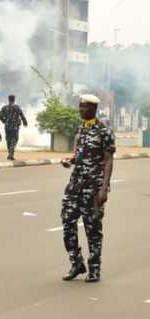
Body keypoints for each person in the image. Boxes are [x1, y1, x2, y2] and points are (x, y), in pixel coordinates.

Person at [60, 95, 115, 283]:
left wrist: (104, 188)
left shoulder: (104, 131)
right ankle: (76, 262)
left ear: (94, 109)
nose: (81, 110)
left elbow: (108, 160)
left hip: (93, 186)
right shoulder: (80, 129)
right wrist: (69, 160)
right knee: (67, 222)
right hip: (75, 184)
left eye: (85, 107)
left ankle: (94, 269)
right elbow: (79, 155)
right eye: (80, 106)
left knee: (92, 229)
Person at [0, 95, 29, 160]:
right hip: (15, 126)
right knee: (14, 139)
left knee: (8, 140)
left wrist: (4, 121)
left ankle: (10, 153)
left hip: (7, 126)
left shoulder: (4, 107)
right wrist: (25, 122)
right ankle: (11, 154)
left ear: (8, 99)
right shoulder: (16, 107)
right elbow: (21, 115)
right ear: (14, 99)